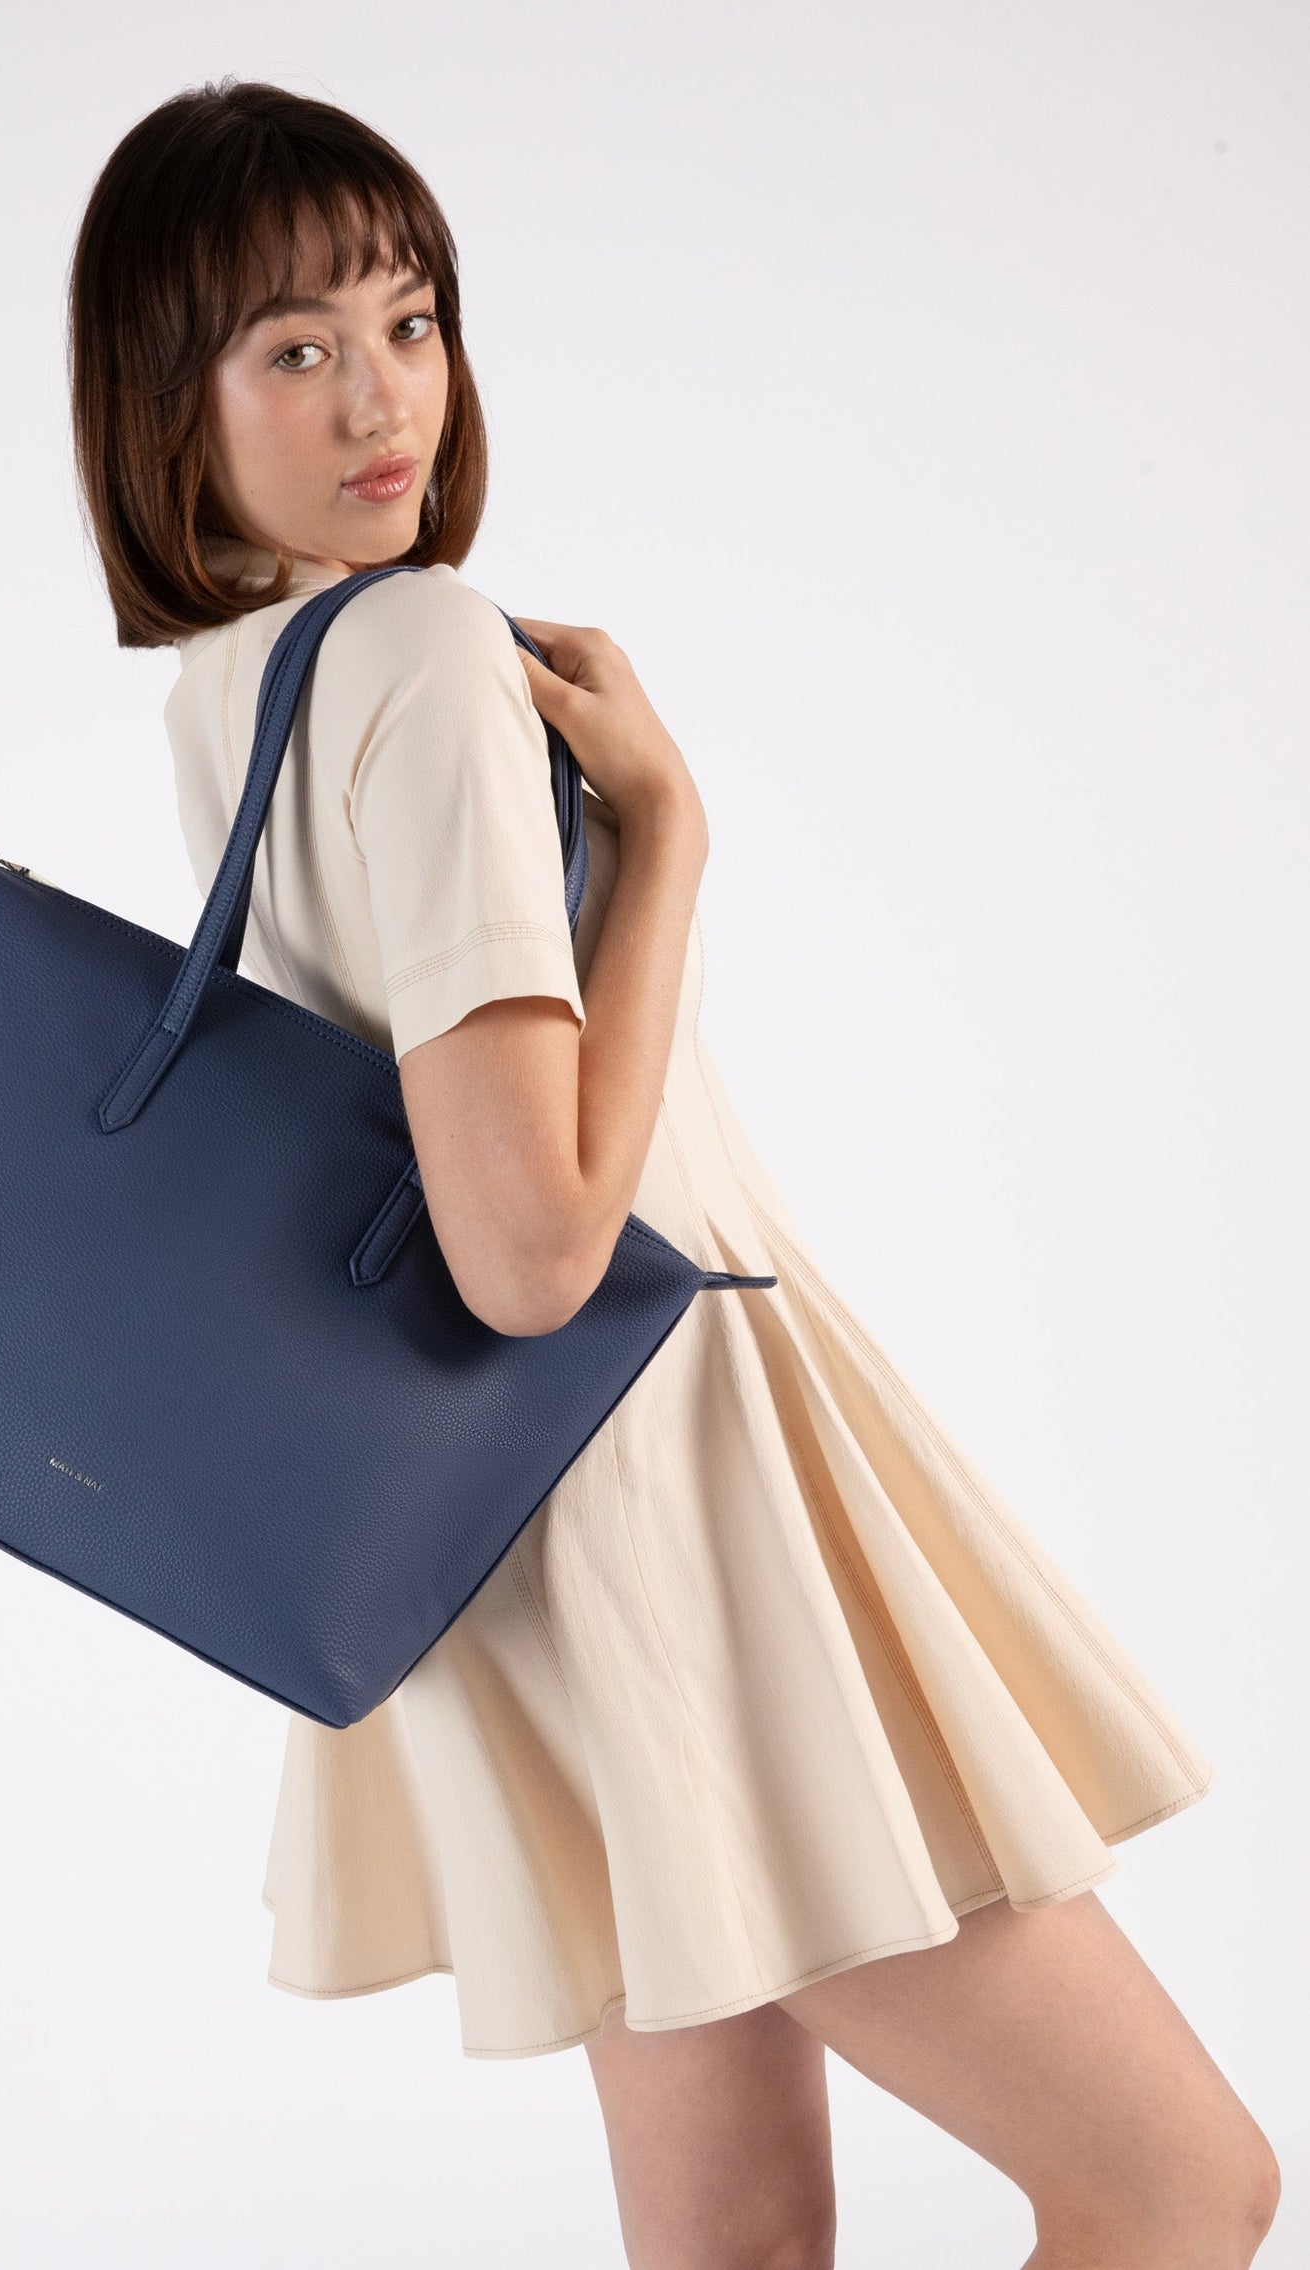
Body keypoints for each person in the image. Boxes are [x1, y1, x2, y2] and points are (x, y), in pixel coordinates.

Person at [67, 77, 1279, 2270]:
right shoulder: (420, 649)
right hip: (656, 1519)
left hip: (509, 1558)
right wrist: (672, 842)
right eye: (294, 346)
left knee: (738, 2251)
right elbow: (533, 1249)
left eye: (410, 321)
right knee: (1177, 2186)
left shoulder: (227, 692)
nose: (382, 399)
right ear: (170, 399)